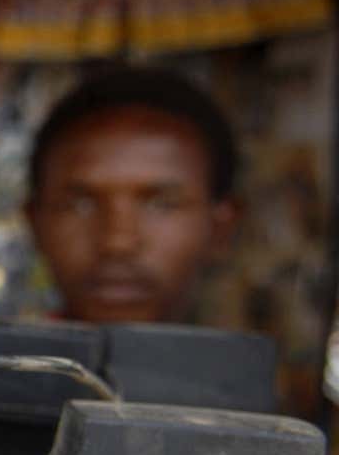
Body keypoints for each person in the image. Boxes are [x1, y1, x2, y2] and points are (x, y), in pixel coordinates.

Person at [25, 65, 240, 324]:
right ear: (35, 225)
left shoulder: (265, 366)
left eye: (162, 204)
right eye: (79, 205)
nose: (118, 242)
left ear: (221, 228)